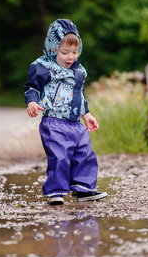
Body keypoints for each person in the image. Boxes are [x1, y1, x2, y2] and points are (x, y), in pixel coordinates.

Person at [24, 19, 108, 205]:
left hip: (76, 125)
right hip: (54, 123)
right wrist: (32, 102)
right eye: (64, 52)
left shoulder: (78, 71)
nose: (70, 57)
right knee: (59, 156)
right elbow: (32, 88)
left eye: (74, 52)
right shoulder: (43, 67)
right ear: (53, 48)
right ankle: (55, 191)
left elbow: (79, 96)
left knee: (85, 154)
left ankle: (84, 189)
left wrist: (86, 115)